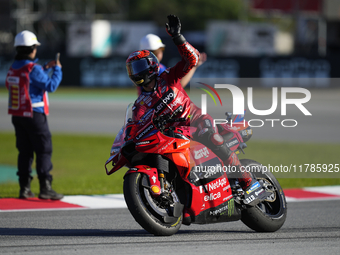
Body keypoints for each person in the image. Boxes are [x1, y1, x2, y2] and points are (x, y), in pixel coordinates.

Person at [126, 15, 255, 192]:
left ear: (150, 65)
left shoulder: (168, 76)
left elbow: (192, 60)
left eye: (139, 67)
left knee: (213, 137)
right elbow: (134, 126)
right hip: (173, 135)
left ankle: (246, 180)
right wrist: (128, 142)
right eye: (132, 69)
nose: (136, 73)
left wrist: (177, 38)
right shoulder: (140, 104)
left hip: (195, 120)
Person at [5, 30, 63, 200]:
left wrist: (44, 67)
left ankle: (24, 188)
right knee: (44, 150)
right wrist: (57, 69)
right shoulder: (34, 69)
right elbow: (51, 86)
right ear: (31, 49)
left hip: (18, 115)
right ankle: (45, 187)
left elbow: (26, 78)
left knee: (24, 152)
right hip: (35, 115)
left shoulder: (14, 67)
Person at [137, 33, 207, 95]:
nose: (158, 54)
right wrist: (194, 66)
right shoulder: (158, 69)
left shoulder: (140, 69)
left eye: (160, 50)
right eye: (154, 52)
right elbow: (178, 86)